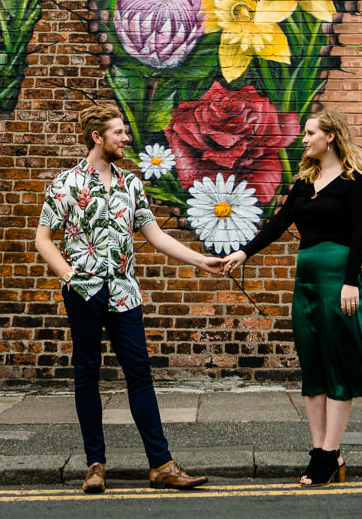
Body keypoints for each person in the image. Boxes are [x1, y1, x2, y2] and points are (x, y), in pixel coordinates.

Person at [35, 103, 225, 494]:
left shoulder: (131, 185)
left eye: (124, 132)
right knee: (86, 374)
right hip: (83, 292)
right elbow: (43, 240)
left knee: (139, 373)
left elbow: (155, 236)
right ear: (97, 137)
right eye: (119, 132)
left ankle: (162, 465)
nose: (126, 138)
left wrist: (200, 260)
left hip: (124, 293)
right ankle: (95, 466)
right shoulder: (65, 184)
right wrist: (71, 277)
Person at [222, 108, 362, 487]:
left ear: (331, 137)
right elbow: (278, 224)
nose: (304, 139)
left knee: (338, 362)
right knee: (313, 363)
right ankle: (321, 451)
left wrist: (350, 281)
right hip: (306, 280)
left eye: (310, 133)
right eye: (305, 133)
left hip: (338, 279)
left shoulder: (354, 182)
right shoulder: (305, 182)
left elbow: (360, 233)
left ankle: (329, 453)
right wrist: (244, 252)